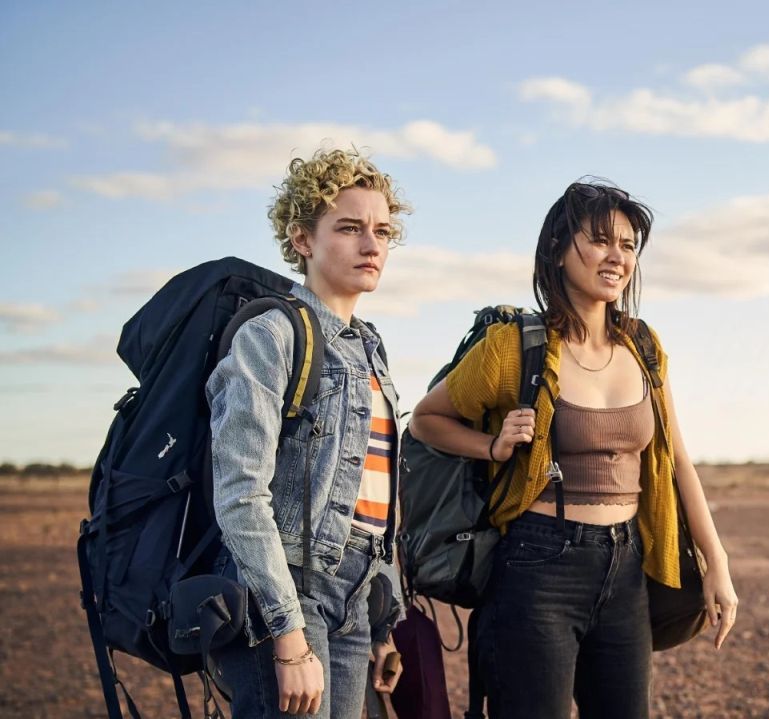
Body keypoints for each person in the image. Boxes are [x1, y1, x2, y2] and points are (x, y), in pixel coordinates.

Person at [410, 180, 739, 718]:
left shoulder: (645, 345)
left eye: (629, 245)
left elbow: (678, 460)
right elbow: (426, 420)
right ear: (559, 250)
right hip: (539, 565)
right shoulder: (513, 347)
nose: (618, 256)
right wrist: (492, 447)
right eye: (602, 240)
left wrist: (716, 563)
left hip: (627, 562)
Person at [206, 148, 410, 717]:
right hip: (289, 591)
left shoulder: (369, 346)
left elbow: (375, 501)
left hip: (353, 597)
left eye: (382, 231)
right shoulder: (271, 336)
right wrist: (287, 634)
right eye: (349, 228)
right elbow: (241, 494)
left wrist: (381, 621)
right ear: (302, 239)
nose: (371, 245)